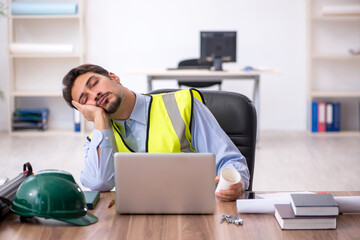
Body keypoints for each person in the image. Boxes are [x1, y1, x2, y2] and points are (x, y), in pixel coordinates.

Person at [62, 64, 250, 202]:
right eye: (85, 99)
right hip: (132, 223)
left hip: (192, 215)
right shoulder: (98, 139)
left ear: (114, 77)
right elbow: (99, 183)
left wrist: (236, 182)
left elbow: (231, 161)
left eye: (94, 83)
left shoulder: (184, 105)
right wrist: (100, 120)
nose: (94, 95)